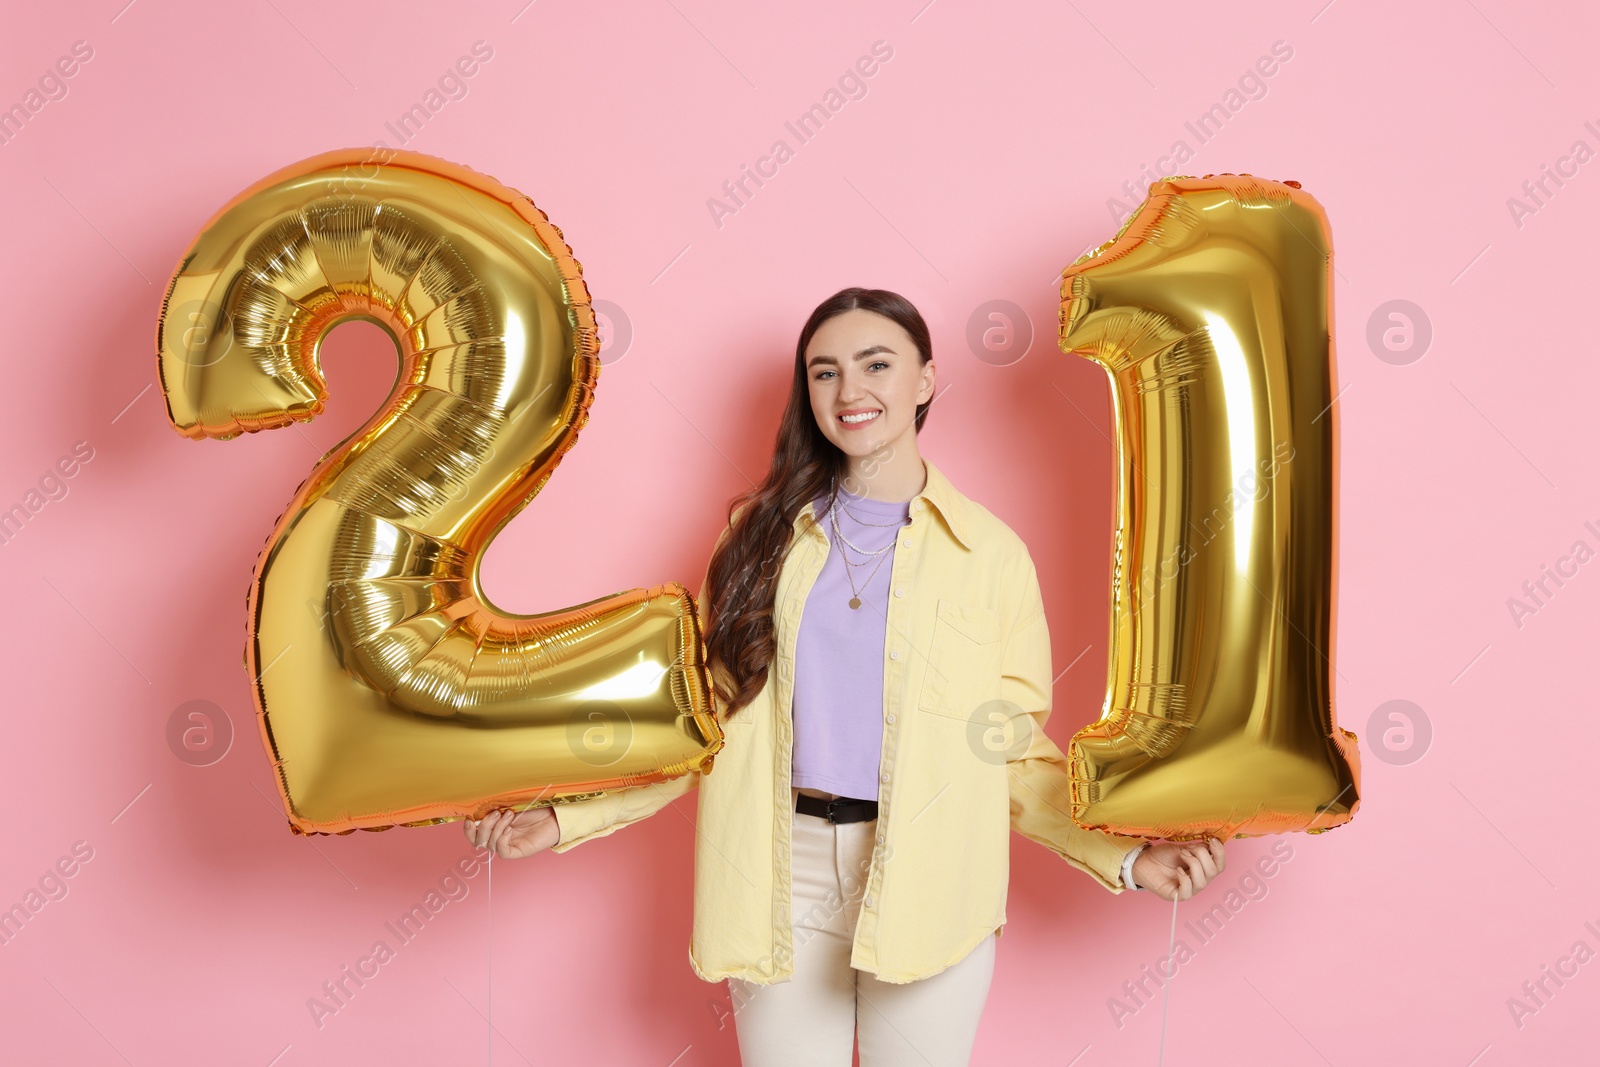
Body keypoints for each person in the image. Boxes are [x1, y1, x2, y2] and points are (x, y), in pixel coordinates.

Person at [467, 287, 1225, 1065]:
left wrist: (1128, 858)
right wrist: (564, 818)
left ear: (925, 380)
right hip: (776, 869)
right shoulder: (755, 537)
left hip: (934, 873)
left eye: (876, 364)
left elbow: (1011, 749)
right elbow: (697, 720)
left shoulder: (991, 556)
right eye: (824, 372)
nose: (849, 390)